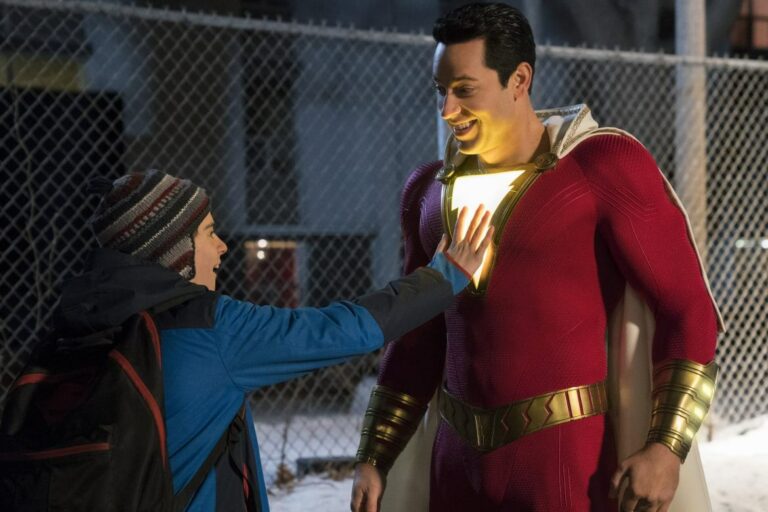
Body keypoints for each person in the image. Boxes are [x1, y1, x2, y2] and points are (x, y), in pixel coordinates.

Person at [351, 3, 723, 512]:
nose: (447, 110)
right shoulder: (428, 193)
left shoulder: (602, 167)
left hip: (568, 469)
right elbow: (417, 339)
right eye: (441, 89)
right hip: (454, 469)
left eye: (465, 89)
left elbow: (688, 309)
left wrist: (666, 447)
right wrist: (374, 454)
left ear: (519, 80)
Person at [48, 169, 493, 511]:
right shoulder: (208, 331)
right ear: (173, 247)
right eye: (208, 233)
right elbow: (337, 329)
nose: (222, 247)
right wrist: (443, 278)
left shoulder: (72, 329)